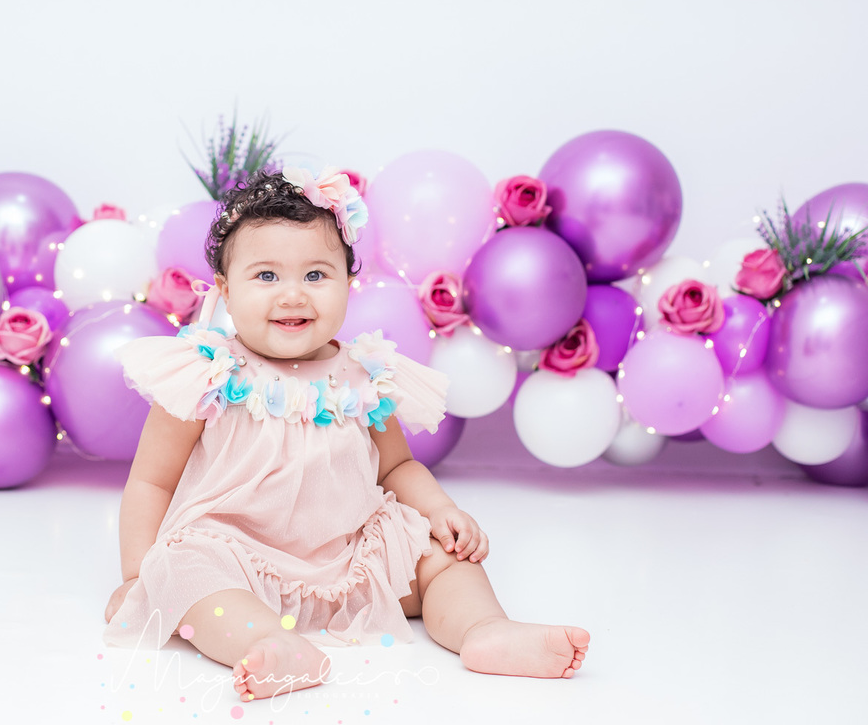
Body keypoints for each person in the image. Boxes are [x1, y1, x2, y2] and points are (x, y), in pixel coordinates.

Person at [103, 167, 589, 702]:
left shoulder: (365, 375)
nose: (293, 295)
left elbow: (397, 467)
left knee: (444, 559)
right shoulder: (207, 372)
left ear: (348, 285)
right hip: (237, 556)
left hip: (352, 556)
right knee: (185, 569)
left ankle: (485, 631)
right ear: (225, 291)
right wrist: (137, 576)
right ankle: (267, 643)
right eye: (266, 276)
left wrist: (440, 510)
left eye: (316, 275)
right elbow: (151, 481)